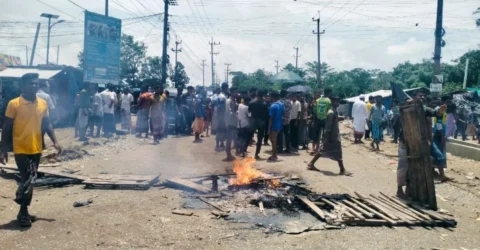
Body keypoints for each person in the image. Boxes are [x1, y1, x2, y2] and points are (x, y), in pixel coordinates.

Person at [0, 73, 62, 227]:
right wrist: (3, 149)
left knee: (30, 179)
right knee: (29, 177)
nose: (34, 86)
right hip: (21, 148)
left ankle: (23, 206)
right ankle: (23, 211)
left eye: (36, 83)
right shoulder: (14, 104)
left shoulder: (42, 103)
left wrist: (55, 141)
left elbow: (47, 124)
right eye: (30, 84)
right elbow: (6, 127)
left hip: (37, 148)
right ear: (22, 86)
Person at [396, 91, 448, 198]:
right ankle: (399, 190)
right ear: (414, 97)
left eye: (423, 95)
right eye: (420, 95)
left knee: (416, 166)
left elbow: (434, 112)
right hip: (405, 141)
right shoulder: (406, 106)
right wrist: (408, 102)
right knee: (403, 166)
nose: (422, 97)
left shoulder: (423, 108)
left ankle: (411, 191)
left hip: (417, 142)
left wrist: (439, 110)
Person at [307, 95, 350, 176]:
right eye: (335, 101)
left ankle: (311, 164)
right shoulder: (330, 113)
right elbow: (327, 127)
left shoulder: (334, 111)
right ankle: (342, 170)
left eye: (338, 101)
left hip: (334, 136)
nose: (337, 103)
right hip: (331, 137)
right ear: (332, 102)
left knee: (326, 151)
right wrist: (326, 138)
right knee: (334, 152)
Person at [249, 90, 269, 159]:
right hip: (262, 123)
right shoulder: (265, 104)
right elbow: (267, 114)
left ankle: (243, 151)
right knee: (260, 139)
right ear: (263, 95)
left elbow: (249, 112)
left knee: (248, 137)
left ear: (257, 95)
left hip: (253, 122)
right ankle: (256, 154)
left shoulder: (251, 103)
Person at [314, 88, 332, 153]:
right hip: (325, 119)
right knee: (325, 134)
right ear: (329, 93)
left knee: (317, 134)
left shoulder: (317, 100)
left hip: (318, 119)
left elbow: (314, 110)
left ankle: (316, 149)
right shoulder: (329, 100)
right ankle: (324, 148)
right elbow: (330, 111)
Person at [268, 91, 284, 162]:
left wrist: (268, 128)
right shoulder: (281, 104)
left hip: (274, 125)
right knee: (273, 140)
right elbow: (283, 113)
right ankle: (274, 154)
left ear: (272, 97)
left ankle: (274, 155)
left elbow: (271, 118)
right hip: (279, 124)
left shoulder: (273, 106)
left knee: (273, 141)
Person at [225, 87, 239, 161]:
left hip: (233, 122)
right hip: (230, 122)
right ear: (232, 92)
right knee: (229, 139)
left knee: (232, 138)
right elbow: (229, 112)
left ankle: (230, 154)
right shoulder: (228, 101)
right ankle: (228, 155)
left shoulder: (234, 101)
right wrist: (236, 115)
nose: (237, 94)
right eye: (235, 92)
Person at [214, 83, 228, 151]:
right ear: (225, 88)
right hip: (221, 116)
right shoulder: (222, 96)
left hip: (219, 115)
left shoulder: (219, 95)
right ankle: (217, 145)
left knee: (222, 130)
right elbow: (221, 107)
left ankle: (221, 143)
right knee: (220, 130)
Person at [277, 89, 292, 154]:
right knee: (287, 134)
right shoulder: (288, 101)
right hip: (287, 120)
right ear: (286, 94)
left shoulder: (279, 101)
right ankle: (288, 148)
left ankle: (280, 149)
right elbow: (290, 108)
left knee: (280, 134)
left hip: (280, 120)